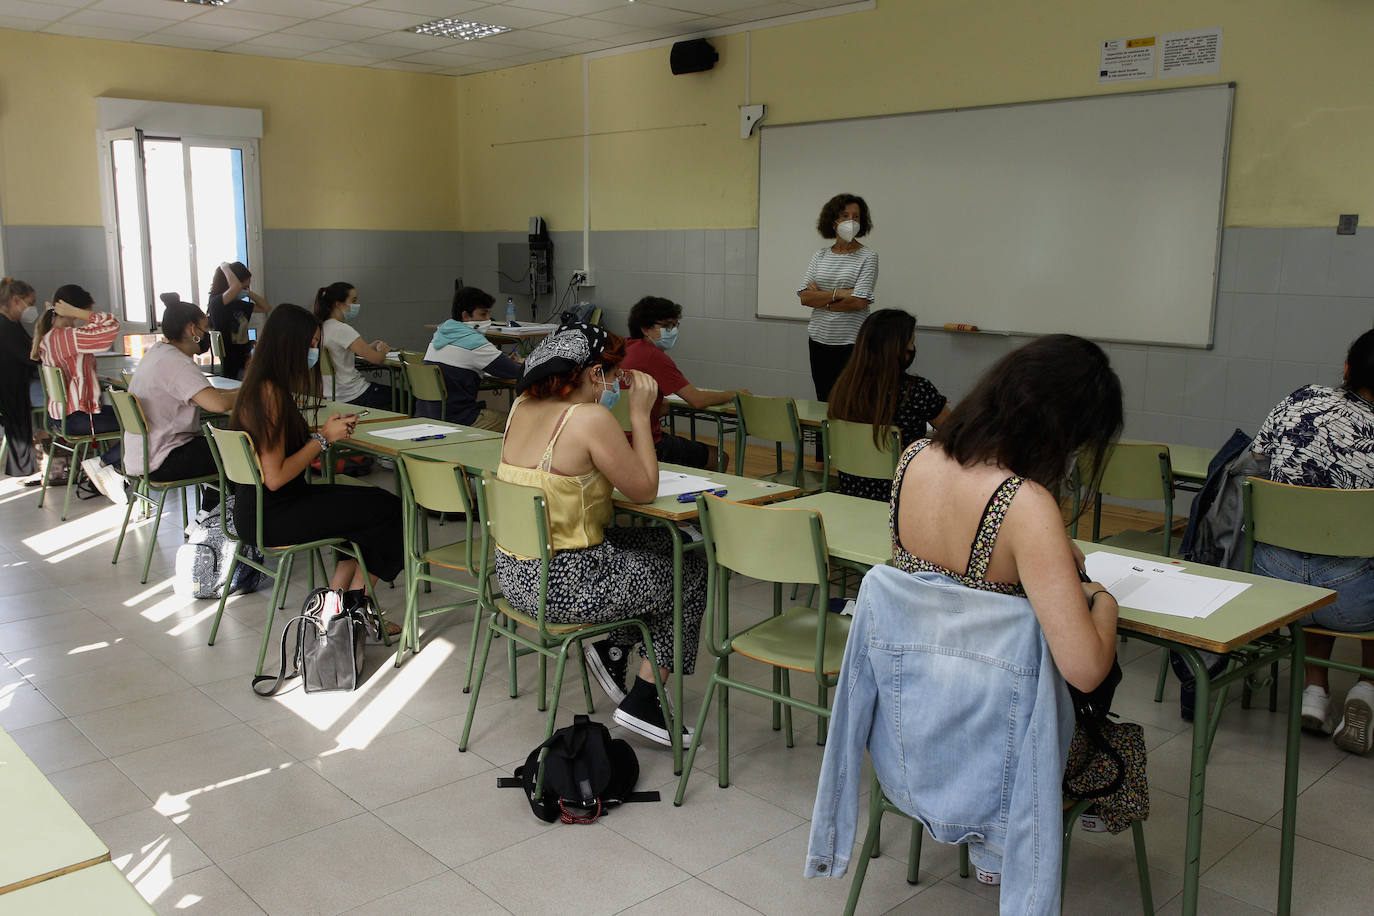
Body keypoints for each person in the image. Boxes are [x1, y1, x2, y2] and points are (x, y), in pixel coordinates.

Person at [495, 322, 706, 746]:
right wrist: (639, 415)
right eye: (611, 374)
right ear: (593, 373)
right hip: (564, 582)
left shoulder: (521, 405)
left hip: (516, 574)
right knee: (690, 570)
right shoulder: (588, 417)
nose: (614, 384)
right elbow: (644, 490)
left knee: (671, 546)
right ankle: (645, 699)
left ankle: (613, 652)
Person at [894, 334, 1123, 693]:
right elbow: (1086, 671)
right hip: (998, 718)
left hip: (913, 701)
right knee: (1124, 747)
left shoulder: (914, 457)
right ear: (1056, 431)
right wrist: (1103, 599)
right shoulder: (1024, 502)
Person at [229, 304, 403, 633]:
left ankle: (338, 602)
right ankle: (355, 608)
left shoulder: (256, 385)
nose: (314, 352)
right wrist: (323, 440)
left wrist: (317, 434)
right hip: (275, 514)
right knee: (390, 509)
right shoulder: (270, 395)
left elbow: (273, 451)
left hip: (257, 510)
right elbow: (276, 477)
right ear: (288, 345)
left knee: (367, 507)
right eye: (310, 344)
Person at [1250, 327, 1374, 754]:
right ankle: (1366, 691)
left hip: (1275, 586)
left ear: (1346, 368)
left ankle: (1315, 694)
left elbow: (1257, 462)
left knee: (1313, 544)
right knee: (1351, 555)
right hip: (1354, 598)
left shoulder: (1301, 399)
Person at [827, 309, 950, 500]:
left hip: (851, 494)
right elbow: (955, 432)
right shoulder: (918, 391)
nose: (913, 348)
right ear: (896, 349)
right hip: (900, 498)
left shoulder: (844, 388)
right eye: (911, 342)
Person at [126, 301, 237, 513]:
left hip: (146, 454)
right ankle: (214, 519)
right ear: (192, 329)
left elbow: (209, 395)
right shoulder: (177, 363)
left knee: (226, 448)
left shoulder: (158, 353)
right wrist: (257, 392)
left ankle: (210, 515)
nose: (208, 333)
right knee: (241, 451)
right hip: (166, 458)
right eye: (206, 327)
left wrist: (247, 390)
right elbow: (217, 404)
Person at [621, 295, 747, 471]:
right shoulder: (653, 356)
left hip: (618, 439)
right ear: (645, 329)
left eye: (674, 325)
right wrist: (734, 394)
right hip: (644, 442)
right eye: (666, 326)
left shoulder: (625, 347)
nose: (672, 330)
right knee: (719, 457)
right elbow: (697, 400)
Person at [30, 284, 125, 504]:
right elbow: (111, 326)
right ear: (72, 310)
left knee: (135, 417)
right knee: (142, 422)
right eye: (84, 312)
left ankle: (110, 470)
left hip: (60, 416)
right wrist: (77, 312)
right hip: (77, 417)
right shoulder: (67, 337)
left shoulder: (49, 336)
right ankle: (106, 464)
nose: (86, 318)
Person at [797, 193, 878, 402]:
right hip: (819, 340)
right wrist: (839, 294)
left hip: (851, 344)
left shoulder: (868, 257)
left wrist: (822, 300)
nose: (851, 221)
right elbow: (805, 297)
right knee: (824, 401)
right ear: (833, 221)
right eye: (845, 215)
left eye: (856, 216)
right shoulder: (820, 256)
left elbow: (858, 302)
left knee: (849, 403)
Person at [420, 285, 522, 430]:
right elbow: (516, 372)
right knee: (520, 424)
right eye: (483, 314)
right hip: (460, 420)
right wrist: (526, 362)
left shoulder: (439, 336)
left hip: (428, 417)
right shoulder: (475, 343)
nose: (488, 319)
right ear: (466, 316)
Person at [312, 282, 393, 409]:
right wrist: (383, 350)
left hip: (332, 394)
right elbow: (376, 359)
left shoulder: (321, 327)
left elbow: (339, 353)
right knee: (404, 397)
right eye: (353, 300)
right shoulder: (342, 329)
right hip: (354, 395)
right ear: (338, 304)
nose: (357, 305)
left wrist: (368, 347)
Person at [0, 277, 40, 481]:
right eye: (30, 303)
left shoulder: (11, 324)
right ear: (17, 300)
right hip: (10, 388)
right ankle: (27, 470)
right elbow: (30, 356)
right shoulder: (6, 327)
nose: (31, 308)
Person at [207, 261, 269, 380]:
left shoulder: (238, 304)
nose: (243, 289)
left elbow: (265, 307)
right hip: (233, 363)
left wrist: (248, 293)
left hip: (245, 359)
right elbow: (236, 287)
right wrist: (225, 267)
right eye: (243, 286)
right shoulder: (216, 303)